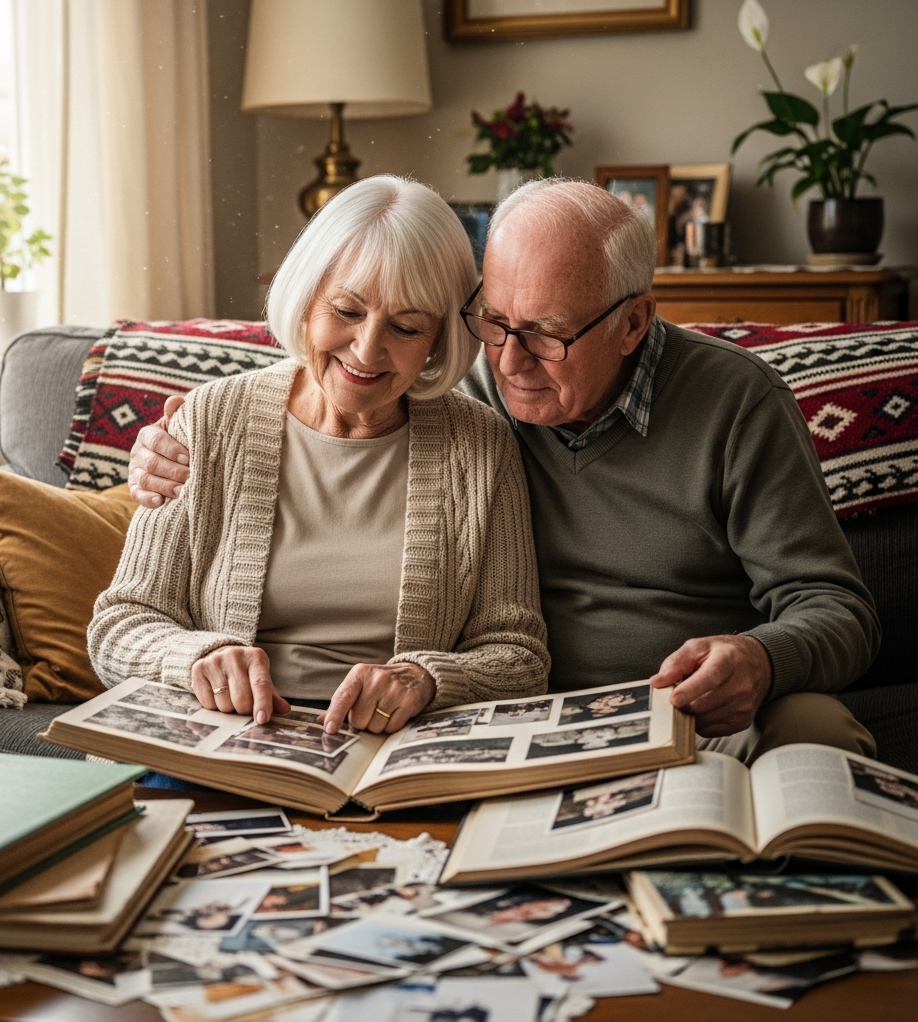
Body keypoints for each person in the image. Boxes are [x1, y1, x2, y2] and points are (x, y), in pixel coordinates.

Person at [128, 178, 879, 764]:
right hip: (513, 718)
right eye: (494, 322)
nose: (510, 363)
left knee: (816, 739)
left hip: (687, 708)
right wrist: (161, 452)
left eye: (547, 335)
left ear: (633, 323)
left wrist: (761, 658)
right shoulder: (468, 387)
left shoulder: (737, 404)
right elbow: (340, 369)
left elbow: (838, 609)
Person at [88, 175, 549, 736]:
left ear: (438, 340)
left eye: (405, 327)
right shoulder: (208, 420)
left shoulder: (479, 446)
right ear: (307, 298)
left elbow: (519, 655)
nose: (367, 348)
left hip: (394, 747)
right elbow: (118, 624)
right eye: (348, 311)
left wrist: (425, 678)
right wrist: (198, 659)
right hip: (220, 735)